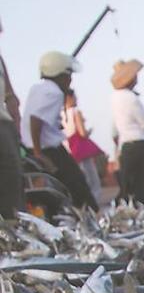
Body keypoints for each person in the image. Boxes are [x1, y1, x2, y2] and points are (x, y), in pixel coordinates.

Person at [22, 51, 98, 211]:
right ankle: (90, 219)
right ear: (59, 75)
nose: (70, 79)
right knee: (79, 189)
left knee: (54, 194)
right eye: (68, 74)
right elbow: (36, 120)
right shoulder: (54, 93)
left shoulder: (37, 88)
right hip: (49, 151)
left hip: (31, 148)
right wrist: (39, 154)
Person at [111, 59, 144, 204]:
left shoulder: (115, 97)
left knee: (129, 186)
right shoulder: (131, 98)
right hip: (139, 144)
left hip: (127, 146)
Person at [62, 89, 103, 204]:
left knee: (79, 179)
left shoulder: (61, 114)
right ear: (69, 98)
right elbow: (82, 133)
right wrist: (88, 132)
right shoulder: (75, 112)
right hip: (81, 149)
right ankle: (93, 204)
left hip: (69, 150)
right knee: (93, 181)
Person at [0, 18, 23, 219]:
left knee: (12, 185)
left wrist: (16, 121)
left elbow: (11, 95)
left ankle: (15, 238)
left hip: (4, 127)